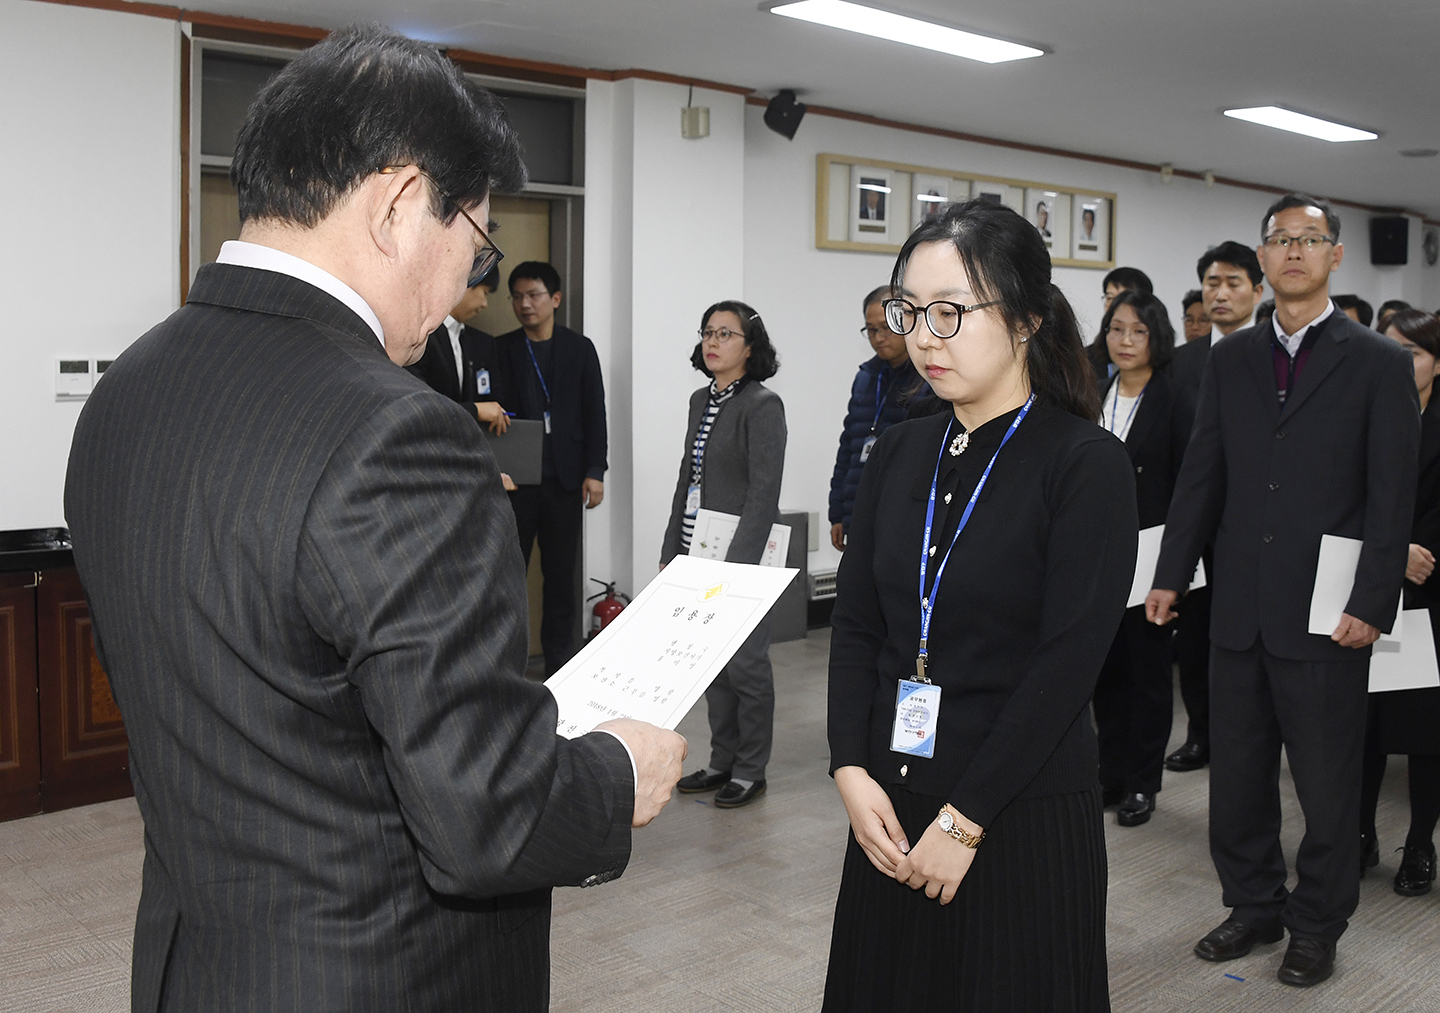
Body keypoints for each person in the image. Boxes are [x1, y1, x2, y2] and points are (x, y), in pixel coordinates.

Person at [62, 26, 687, 1012]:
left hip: (201, 970)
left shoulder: (128, 391)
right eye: (474, 247)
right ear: (400, 204)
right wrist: (617, 771)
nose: (459, 296)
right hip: (377, 977)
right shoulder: (399, 433)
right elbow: (485, 816)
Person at [823, 199, 1135, 1012]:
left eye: (952, 312)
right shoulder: (901, 447)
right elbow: (857, 623)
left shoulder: (1085, 464)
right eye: (910, 311)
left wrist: (965, 822)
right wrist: (849, 764)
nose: (924, 336)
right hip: (891, 798)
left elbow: (1067, 667)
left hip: (1015, 809)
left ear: (1028, 317)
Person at [1146, 193, 1419, 988]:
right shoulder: (1227, 359)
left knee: (1327, 779)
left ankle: (1316, 922)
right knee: (1237, 769)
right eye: (1280, 240)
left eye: (1311, 239)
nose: (1294, 251)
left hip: (1329, 611)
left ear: (1335, 255)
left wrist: (1372, 600)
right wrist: (1170, 572)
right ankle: (1254, 903)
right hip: (1236, 603)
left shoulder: (1377, 360)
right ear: (1263, 261)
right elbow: (1203, 474)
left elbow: (1390, 494)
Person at [663, 302, 786, 809]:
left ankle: (751, 769)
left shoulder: (762, 405)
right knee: (711, 664)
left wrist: (738, 568)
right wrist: (673, 547)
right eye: (708, 333)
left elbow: (764, 492)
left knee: (747, 667)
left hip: (741, 559)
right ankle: (722, 761)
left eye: (726, 334)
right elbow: (687, 479)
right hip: (698, 549)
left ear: (750, 347)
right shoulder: (700, 399)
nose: (713, 342)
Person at [1092, 291, 1193, 828]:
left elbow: (1188, 488)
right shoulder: (1095, 392)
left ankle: (1141, 783)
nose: (1125, 341)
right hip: (1097, 555)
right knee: (1103, 671)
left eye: (1138, 331)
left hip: (1153, 556)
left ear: (1157, 338)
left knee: (1148, 674)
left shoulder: (1175, 397)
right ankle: (1110, 773)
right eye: (1116, 329)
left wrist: (1176, 570)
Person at [1165, 240, 1265, 774]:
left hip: (1255, 528)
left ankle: (1254, 738)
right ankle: (1202, 735)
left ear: (1257, 288)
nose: (1220, 294)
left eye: (1232, 283)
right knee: (1198, 646)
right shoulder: (1181, 363)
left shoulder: (1276, 354)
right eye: (1212, 284)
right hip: (1195, 531)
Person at [1360, 309, 1440, 897]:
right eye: (1389, 350)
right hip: (1367, 581)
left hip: (1430, 591)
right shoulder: (1361, 411)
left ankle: (1419, 844)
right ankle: (1359, 834)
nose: (1399, 362)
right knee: (1360, 722)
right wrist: (1391, 551)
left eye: (1411, 352)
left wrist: (1420, 547)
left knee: (1424, 730)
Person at [495, 261, 608, 675]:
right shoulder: (501, 349)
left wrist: (595, 470)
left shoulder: (579, 349)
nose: (525, 305)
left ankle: (562, 668)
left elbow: (595, 411)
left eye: (534, 295)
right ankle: (508, 667)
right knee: (509, 577)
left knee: (561, 580)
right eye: (518, 296)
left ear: (555, 299)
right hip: (515, 485)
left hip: (565, 482)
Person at [829, 285, 924, 552]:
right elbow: (848, 445)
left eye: (886, 327)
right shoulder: (866, 377)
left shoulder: (928, 379)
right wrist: (837, 511)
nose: (878, 337)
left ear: (908, 321)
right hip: (860, 506)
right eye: (871, 330)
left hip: (904, 511)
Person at [407, 266, 512, 434]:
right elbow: (418, 404)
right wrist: (474, 410)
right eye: (485, 293)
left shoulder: (482, 343)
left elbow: (494, 397)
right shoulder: (421, 336)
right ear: (468, 283)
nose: (485, 304)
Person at [1085, 266, 1153, 383]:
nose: (1113, 305)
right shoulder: (1086, 358)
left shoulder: (1157, 357)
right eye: (1109, 298)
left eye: (1123, 298)